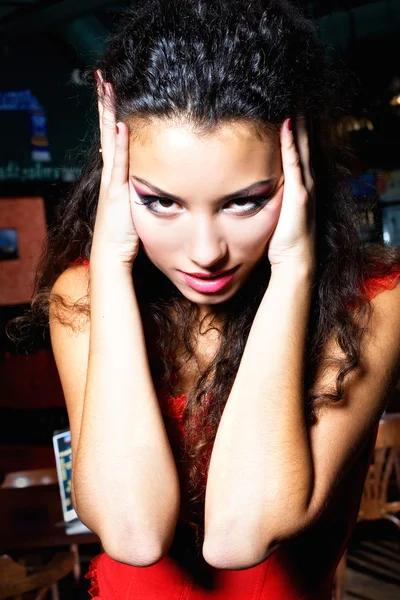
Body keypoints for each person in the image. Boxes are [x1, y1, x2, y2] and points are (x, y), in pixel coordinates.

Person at [14, 0, 400, 597]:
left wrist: (293, 268)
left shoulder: (375, 305)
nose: (205, 252)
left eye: (244, 200)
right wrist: (113, 259)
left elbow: (238, 536)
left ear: (297, 168)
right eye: (160, 200)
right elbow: (135, 534)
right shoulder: (88, 295)